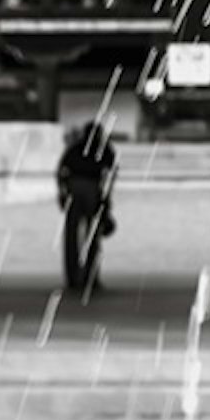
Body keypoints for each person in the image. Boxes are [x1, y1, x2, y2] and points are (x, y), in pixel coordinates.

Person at [56, 115, 118, 298]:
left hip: (75, 189)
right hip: (92, 189)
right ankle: (91, 277)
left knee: (71, 236)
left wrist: (62, 192)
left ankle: (73, 277)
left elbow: (61, 171)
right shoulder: (104, 149)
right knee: (93, 237)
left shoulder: (74, 149)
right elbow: (110, 173)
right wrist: (106, 198)